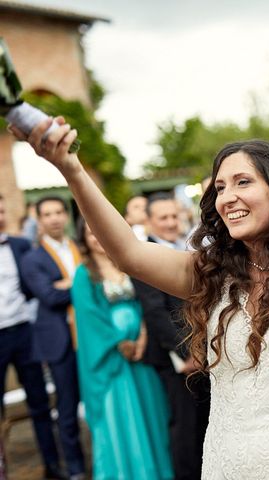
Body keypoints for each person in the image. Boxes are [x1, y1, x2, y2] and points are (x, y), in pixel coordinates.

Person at [11, 117, 269, 479]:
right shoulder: (214, 276)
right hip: (225, 465)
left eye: (242, 182)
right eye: (220, 187)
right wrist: (70, 169)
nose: (227, 197)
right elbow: (128, 254)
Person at [71, 217, 173, 479]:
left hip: (143, 351)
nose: (96, 236)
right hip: (112, 360)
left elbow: (146, 301)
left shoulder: (127, 262)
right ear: (82, 239)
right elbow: (88, 316)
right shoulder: (84, 273)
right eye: (89, 233)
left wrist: (142, 338)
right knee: (121, 419)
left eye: (99, 230)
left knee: (152, 415)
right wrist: (118, 343)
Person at [132, 191, 209, 480]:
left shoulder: (187, 248)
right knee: (186, 427)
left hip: (204, 354)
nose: (170, 222)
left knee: (207, 423)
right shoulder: (145, 254)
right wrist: (186, 353)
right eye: (163, 218)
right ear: (150, 222)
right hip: (178, 358)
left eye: (174, 216)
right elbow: (155, 312)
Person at [19, 195, 86, 480]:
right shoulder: (31, 258)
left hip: (91, 336)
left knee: (96, 402)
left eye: (59, 212)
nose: (55, 218)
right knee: (67, 409)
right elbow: (48, 296)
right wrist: (81, 284)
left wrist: (68, 284)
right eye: (48, 214)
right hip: (60, 341)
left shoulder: (81, 247)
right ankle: (76, 469)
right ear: (39, 219)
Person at [0, 194, 64, 480]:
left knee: (39, 404)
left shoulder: (20, 246)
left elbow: (36, 286)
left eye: (1, 210)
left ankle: (52, 466)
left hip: (25, 332)